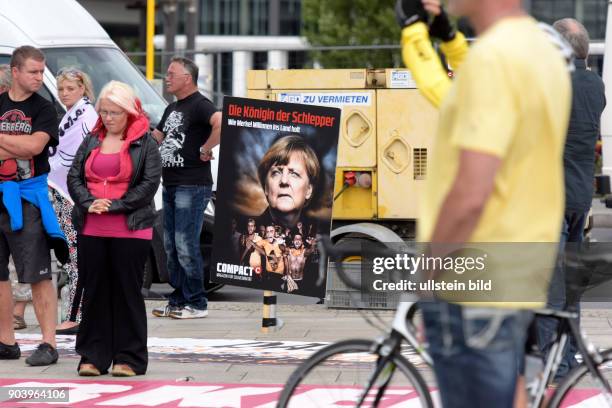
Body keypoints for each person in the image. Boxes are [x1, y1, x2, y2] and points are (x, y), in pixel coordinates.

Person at [396, 1, 572, 407]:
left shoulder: (493, 60)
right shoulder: (540, 51)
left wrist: (427, 277)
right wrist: (451, 39)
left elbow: (470, 193)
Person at [67, 81, 161, 377]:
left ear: (129, 113)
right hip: (92, 227)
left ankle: (129, 358)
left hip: (130, 228)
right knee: (94, 292)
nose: (107, 117)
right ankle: (93, 356)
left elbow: (149, 185)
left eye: (114, 113)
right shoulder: (92, 139)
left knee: (126, 292)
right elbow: (74, 176)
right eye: (104, 112)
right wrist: (87, 201)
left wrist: (114, 205)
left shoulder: (145, 143)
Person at [537, 18, 606, 382]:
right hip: (580, 197)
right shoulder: (596, 86)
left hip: (550, 198)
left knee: (550, 286)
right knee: (571, 285)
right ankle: (568, 361)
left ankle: (550, 367)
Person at [0, 46, 68, 367]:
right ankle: (6, 341)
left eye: (42, 72)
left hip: (28, 197)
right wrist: (15, 147)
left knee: (39, 273)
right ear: (15, 71)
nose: (40, 78)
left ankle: (48, 343)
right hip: (1, 194)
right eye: (33, 72)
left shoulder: (44, 108)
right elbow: (21, 147)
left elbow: (34, 146)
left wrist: (14, 147)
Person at [152, 57, 221, 320]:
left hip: (191, 185)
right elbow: (157, 137)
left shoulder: (200, 105)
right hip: (170, 184)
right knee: (171, 245)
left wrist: (206, 148)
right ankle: (179, 299)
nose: (166, 77)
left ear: (187, 78)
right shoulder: (172, 108)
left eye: (171, 73)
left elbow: (220, 121)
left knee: (184, 243)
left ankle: (197, 302)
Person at [49, 67, 99, 335]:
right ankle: (77, 312)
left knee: (75, 255)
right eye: (61, 89)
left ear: (82, 88)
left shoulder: (85, 116)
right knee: (71, 256)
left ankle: (76, 315)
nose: (65, 94)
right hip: (64, 192)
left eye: (70, 88)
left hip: (73, 195)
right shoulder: (73, 114)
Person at [256, 135, 321, 232]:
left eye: (294, 174)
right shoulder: (241, 232)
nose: (284, 181)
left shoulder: (319, 236)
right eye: (276, 173)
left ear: (308, 190)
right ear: (266, 187)